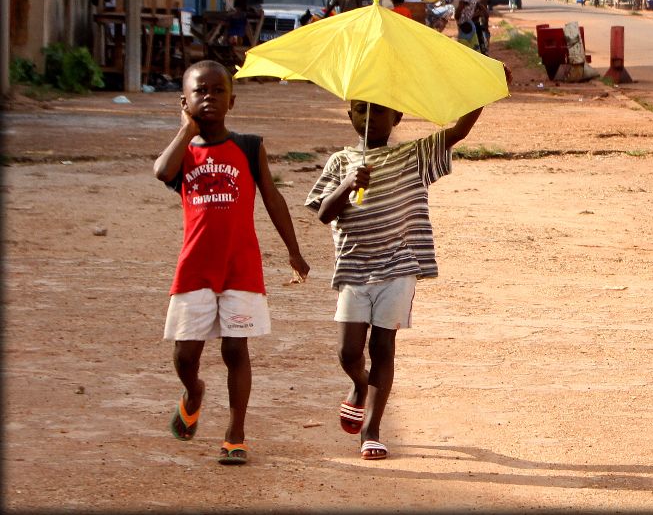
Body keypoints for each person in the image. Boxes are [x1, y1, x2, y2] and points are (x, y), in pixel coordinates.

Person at [304, 82, 508, 461]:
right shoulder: (340, 162)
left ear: (397, 117)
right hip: (353, 270)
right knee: (348, 353)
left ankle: (372, 430)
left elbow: (458, 131)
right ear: (349, 115)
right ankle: (358, 387)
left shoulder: (413, 156)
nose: (369, 117)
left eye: (379, 110)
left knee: (382, 348)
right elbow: (323, 213)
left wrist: (485, 89)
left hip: (399, 267)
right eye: (361, 109)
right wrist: (348, 184)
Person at [152, 60, 310, 466]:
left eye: (218, 91)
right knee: (185, 355)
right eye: (199, 92)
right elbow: (160, 172)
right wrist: (186, 129)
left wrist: (293, 249)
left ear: (232, 100)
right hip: (195, 267)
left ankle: (235, 432)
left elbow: (272, 198)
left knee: (235, 350)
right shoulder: (184, 153)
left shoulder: (248, 146)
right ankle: (194, 392)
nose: (209, 98)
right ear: (183, 101)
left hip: (240, 267)